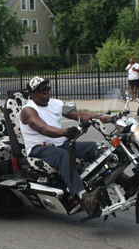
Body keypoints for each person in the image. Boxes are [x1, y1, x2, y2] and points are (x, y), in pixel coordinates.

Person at [20, 76, 130, 216]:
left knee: (94, 148)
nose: (45, 91)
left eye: (47, 88)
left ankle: (122, 179)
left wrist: (111, 119)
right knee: (64, 156)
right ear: (32, 94)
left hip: (60, 144)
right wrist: (64, 131)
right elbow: (43, 128)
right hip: (39, 148)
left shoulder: (56, 103)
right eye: (40, 90)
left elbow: (82, 115)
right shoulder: (28, 110)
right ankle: (84, 197)